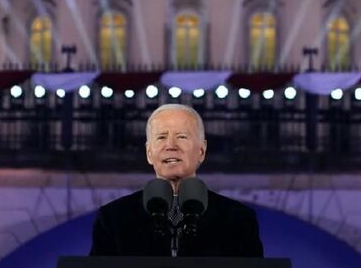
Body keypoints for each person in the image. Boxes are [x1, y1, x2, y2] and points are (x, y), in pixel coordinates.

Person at [90, 103, 264, 257]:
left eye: (181, 136)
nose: (171, 146)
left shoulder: (238, 220)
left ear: (201, 151)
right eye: (161, 137)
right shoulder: (113, 219)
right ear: (149, 153)